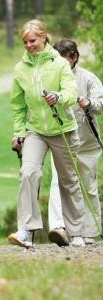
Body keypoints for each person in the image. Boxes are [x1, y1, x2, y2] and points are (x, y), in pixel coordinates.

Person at [7, 19, 86, 248]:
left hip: (63, 128)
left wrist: (58, 97)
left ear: (44, 37)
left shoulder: (59, 64)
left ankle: (77, 232)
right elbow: (17, 105)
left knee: (68, 181)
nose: (29, 45)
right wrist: (19, 131)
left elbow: (71, 91)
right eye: (25, 42)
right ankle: (26, 231)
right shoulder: (20, 69)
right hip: (36, 131)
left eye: (32, 40)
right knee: (28, 173)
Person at [48, 38, 103, 246]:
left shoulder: (88, 79)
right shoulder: (51, 80)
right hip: (62, 140)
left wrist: (89, 103)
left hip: (88, 144)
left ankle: (90, 231)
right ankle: (61, 228)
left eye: (64, 60)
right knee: (59, 183)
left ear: (74, 58)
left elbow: (101, 102)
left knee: (88, 186)